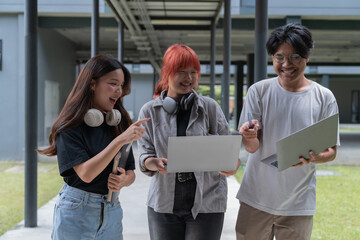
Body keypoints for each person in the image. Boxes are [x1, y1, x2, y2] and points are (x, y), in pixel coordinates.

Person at [235, 23, 340, 240]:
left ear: (307, 56)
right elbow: (252, 148)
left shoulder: (324, 97)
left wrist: (314, 157)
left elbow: (331, 151)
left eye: (294, 57)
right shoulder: (259, 91)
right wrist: (249, 137)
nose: (286, 64)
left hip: (298, 204)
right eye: (279, 57)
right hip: (256, 199)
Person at [37, 55, 148, 240]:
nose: (118, 91)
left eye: (121, 85)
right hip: (76, 210)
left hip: (112, 209)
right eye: (113, 83)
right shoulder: (70, 126)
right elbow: (86, 174)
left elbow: (130, 172)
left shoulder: (117, 122)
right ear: (92, 84)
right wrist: (120, 140)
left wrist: (124, 181)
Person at [137, 44, 240, 240]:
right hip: (164, 202)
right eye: (182, 72)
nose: (189, 78)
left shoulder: (210, 108)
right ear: (167, 73)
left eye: (194, 72)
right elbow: (144, 155)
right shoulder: (149, 111)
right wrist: (153, 162)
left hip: (207, 203)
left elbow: (231, 158)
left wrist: (231, 166)